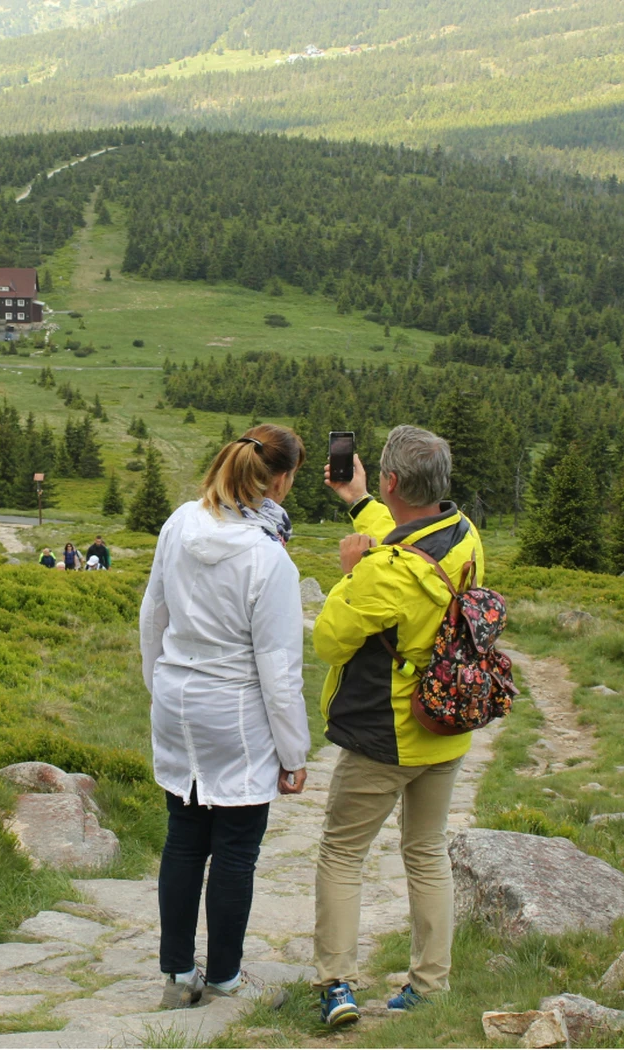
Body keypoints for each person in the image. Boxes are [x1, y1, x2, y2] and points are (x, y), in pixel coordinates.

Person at [309, 425, 486, 1028]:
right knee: (426, 849)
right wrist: (359, 501)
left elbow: (329, 639)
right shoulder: (464, 537)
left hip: (386, 736)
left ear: (392, 480)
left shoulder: (381, 573)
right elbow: (409, 545)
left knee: (342, 853)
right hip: (447, 728)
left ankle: (337, 985)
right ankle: (430, 983)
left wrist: (350, 572)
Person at [139, 424, 311, 1011]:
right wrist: (294, 756)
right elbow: (280, 672)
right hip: (236, 713)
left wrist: (159, 687)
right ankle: (226, 977)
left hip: (177, 698)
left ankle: (176, 972)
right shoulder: (269, 560)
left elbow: (152, 616)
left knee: (184, 838)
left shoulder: (180, 523)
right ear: (280, 481)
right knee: (236, 849)